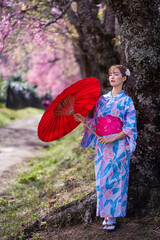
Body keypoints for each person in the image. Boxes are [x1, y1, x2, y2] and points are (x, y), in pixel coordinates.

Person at [73, 65, 138, 230]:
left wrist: (114, 137)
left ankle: (113, 216)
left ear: (124, 78)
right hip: (102, 146)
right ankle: (105, 214)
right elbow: (96, 123)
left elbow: (130, 126)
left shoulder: (126, 101)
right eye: (110, 75)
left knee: (117, 180)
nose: (112, 77)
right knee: (102, 181)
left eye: (116, 74)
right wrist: (84, 120)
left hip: (118, 145)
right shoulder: (102, 100)